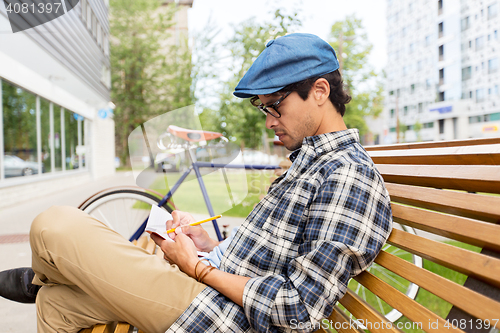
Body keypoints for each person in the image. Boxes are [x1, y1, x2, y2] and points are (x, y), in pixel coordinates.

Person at [0, 33, 393, 333]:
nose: (270, 121)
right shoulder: (308, 163)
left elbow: (299, 309)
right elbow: (266, 260)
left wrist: (199, 269)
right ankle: (50, 280)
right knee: (55, 304)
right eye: (264, 109)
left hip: (220, 311)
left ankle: (45, 273)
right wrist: (210, 247)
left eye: (276, 105)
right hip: (206, 286)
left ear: (320, 92)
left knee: (54, 225)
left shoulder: (348, 176)